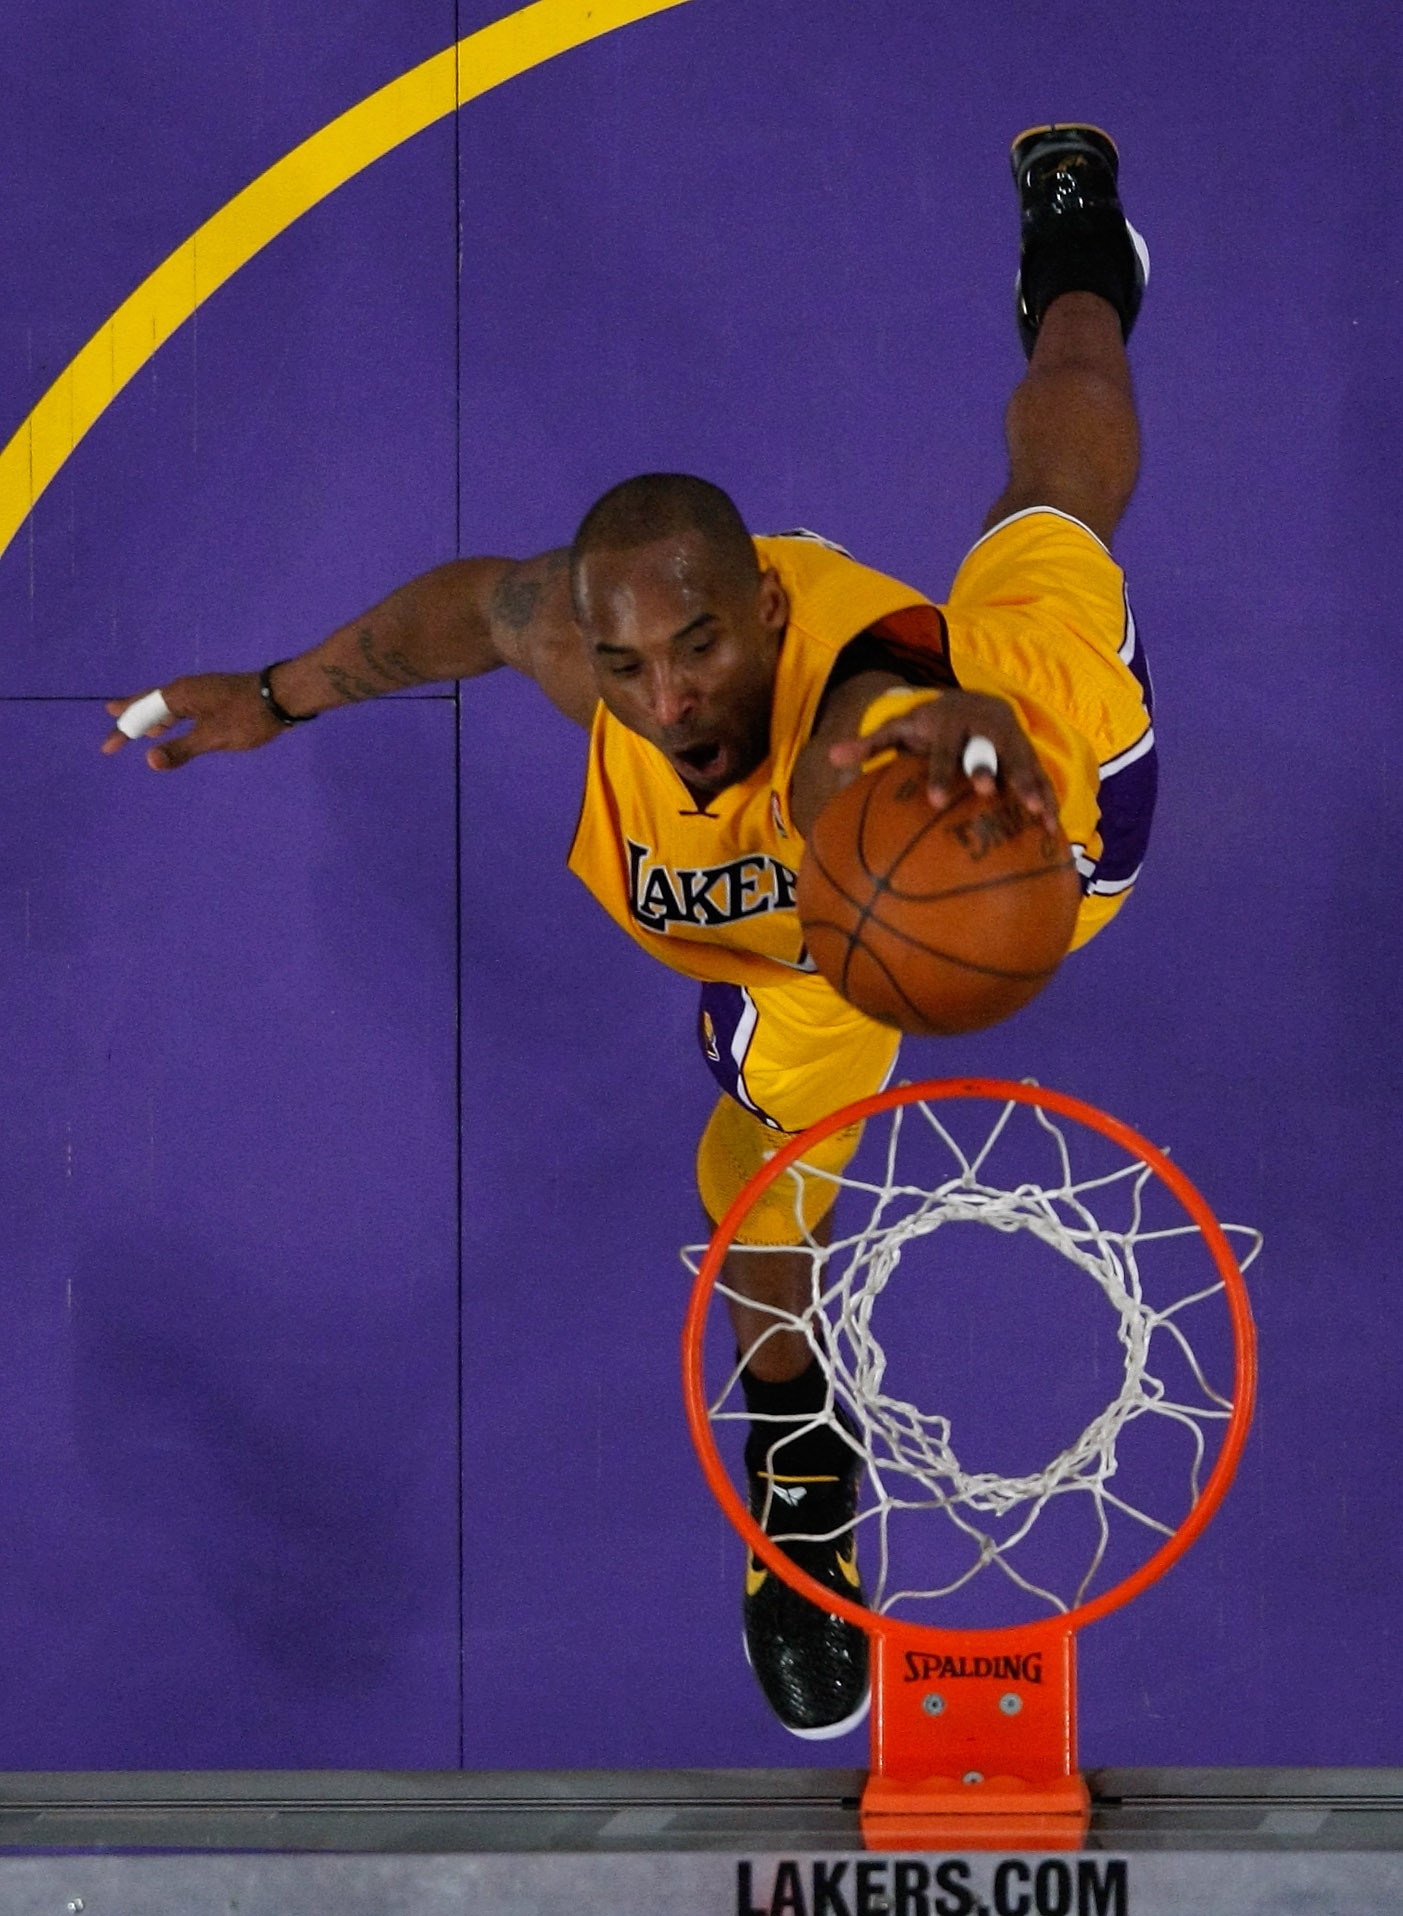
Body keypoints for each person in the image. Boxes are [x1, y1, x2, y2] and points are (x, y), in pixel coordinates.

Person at [102, 125, 1156, 1740]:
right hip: (813, 960)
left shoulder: (849, 704)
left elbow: (880, 724)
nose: (669, 700)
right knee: (755, 1201)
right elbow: (457, 614)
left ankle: (1082, 264)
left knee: (1053, 492)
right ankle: (805, 1474)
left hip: (1034, 813)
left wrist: (952, 742)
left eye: (703, 647)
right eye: (629, 665)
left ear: (770, 614)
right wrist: (273, 695)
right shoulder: (581, 651)